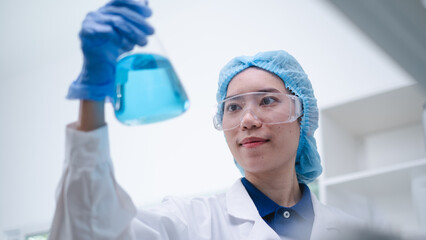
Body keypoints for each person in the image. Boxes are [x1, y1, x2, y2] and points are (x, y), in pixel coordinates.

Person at [48, 1, 359, 239]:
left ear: (301, 115)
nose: (247, 120)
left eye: (267, 100)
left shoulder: (350, 229)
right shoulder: (189, 224)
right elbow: (89, 229)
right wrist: (91, 95)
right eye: (233, 107)